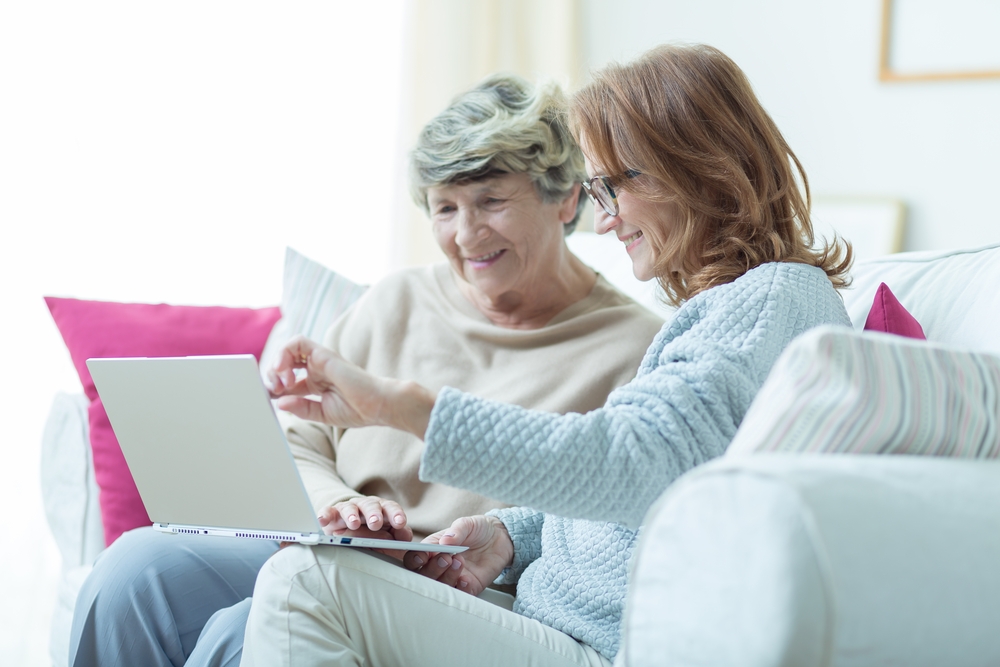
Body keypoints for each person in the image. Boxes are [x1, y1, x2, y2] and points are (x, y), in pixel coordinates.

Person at [241, 43, 854, 667]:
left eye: (615, 187)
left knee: (305, 584)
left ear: (698, 171)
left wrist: (407, 409)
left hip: (600, 644)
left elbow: (628, 463)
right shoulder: (734, 310)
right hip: (549, 615)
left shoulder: (771, 300)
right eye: (598, 189)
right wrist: (511, 536)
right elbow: (655, 497)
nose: (605, 221)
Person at [67, 75, 664, 667]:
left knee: (245, 629)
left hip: (465, 591)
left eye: (492, 201)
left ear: (564, 198)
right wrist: (341, 507)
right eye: (445, 208)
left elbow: (600, 538)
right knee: (132, 571)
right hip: (329, 548)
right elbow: (299, 439)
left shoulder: (634, 347)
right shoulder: (394, 300)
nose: (466, 233)